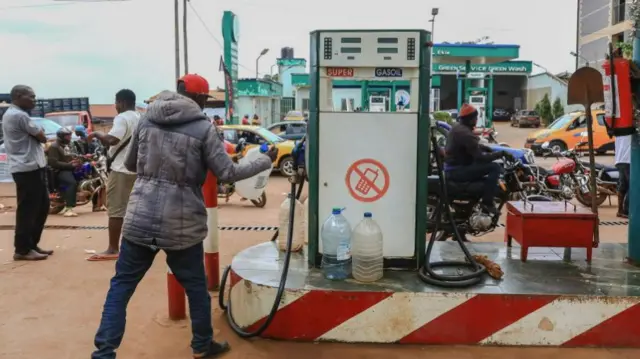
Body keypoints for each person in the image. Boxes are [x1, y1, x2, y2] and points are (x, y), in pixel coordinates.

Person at [91, 74, 278, 359]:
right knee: (196, 287)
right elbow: (227, 173)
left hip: (139, 217)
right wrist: (265, 160)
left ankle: (104, 352)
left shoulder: (146, 119)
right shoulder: (204, 128)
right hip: (182, 224)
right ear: (201, 98)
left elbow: (130, 163)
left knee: (122, 286)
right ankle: (202, 345)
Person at [87, 89, 140, 261]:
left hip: (121, 169)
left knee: (116, 210)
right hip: (137, 169)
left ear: (122, 102)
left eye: (116, 103)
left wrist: (96, 133)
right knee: (135, 210)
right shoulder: (140, 118)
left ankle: (112, 248)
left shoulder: (122, 118)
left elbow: (112, 139)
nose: (115, 106)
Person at [2, 85, 53, 260]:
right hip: (27, 168)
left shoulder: (17, 115)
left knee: (42, 206)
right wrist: (39, 134)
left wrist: (38, 134)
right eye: (31, 97)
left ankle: (31, 244)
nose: (34, 100)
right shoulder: (19, 115)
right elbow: (42, 136)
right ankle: (22, 249)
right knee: (28, 210)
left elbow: (38, 135)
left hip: (33, 166)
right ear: (18, 96)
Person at [444, 103, 513, 215]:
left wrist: (487, 148)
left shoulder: (458, 128)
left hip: (454, 168)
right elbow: (481, 158)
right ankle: (487, 202)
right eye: (475, 118)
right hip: (457, 170)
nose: (476, 120)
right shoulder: (465, 133)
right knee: (494, 168)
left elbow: (471, 146)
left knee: (484, 170)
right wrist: (501, 153)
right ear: (471, 119)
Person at [47, 127, 82, 217]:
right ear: (61, 136)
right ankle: (69, 208)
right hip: (59, 171)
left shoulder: (68, 145)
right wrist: (70, 165)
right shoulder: (54, 146)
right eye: (67, 136)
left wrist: (78, 160)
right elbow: (53, 162)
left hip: (69, 168)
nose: (69, 137)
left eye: (70, 135)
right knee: (71, 183)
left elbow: (72, 156)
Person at [615, 133, 631, 218]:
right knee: (632, 186)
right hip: (629, 160)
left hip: (619, 160)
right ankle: (627, 210)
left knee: (623, 186)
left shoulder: (619, 130)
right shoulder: (632, 130)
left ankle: (620, 210)